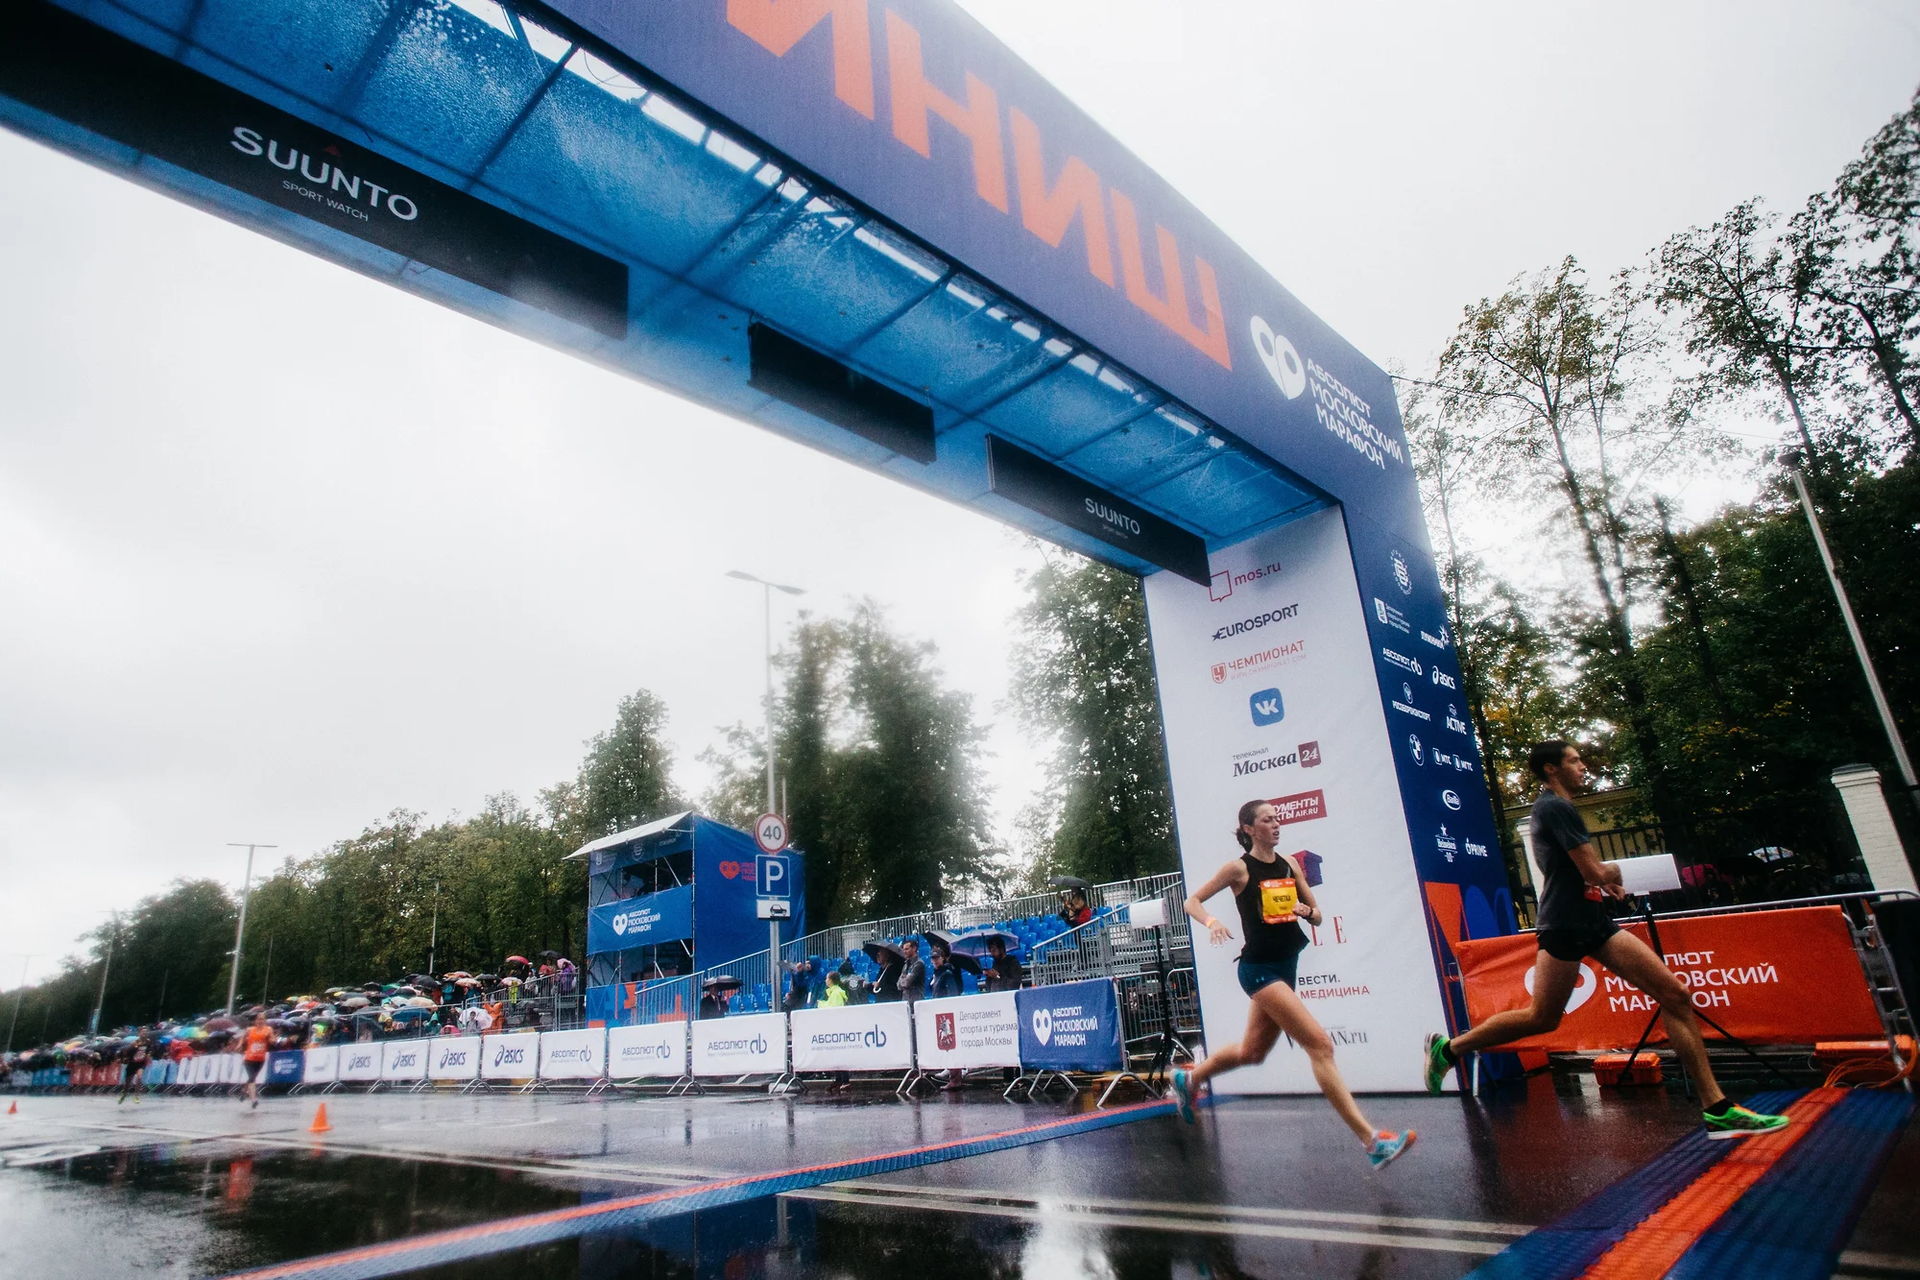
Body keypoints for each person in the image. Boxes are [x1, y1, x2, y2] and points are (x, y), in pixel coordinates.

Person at [1422, 741, 1791, 1138]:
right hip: (1565, 924)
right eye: (1574, 760)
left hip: (1594, 922)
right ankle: (1451, 1049)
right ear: (1551, 769)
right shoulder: (1555, 807)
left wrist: (1601, 883)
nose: (1583, 766)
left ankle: (1717, 1109)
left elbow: (1581, 873)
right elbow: (1595, 871)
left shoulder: (1559, 808)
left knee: (1675, 995)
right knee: (1542, 1017)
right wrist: (1619, 873)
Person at [1173, 800, 1416, 1170]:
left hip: (1286, 966)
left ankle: (1189, 1079)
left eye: (1277, 819)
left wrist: (1306, 911)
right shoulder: (1238, 868)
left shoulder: (1289, 865)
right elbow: (1192, 901)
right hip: (1258, 970)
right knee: (1320, 1045)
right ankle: (1372, 1142)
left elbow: (1317, 916)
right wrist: (1212, 923)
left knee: (1252, 1052)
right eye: (1267, 820)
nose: (1276, 824)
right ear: (1249, 829)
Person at [241, 1012, 273, 1110]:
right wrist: (239, 1045)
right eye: (259, 1019)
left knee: (252, 1077)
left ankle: (244, 1090)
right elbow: (243, 1038)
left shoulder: (268, 1030)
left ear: (265, 1020)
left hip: (260, 1059)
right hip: (249, 1058)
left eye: (262, 1019)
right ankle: (254, 1100)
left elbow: (273, 1039)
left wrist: (271, 1040)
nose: (260, 1021)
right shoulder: (250, 1030)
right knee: (252, 1078)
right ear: (255, 1021)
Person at [118, 1029, 152, 1105]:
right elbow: (128, 1052)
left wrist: (148, 1055)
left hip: (141, 1063)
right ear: (139, 1034)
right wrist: (126, 1058)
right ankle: (124, 1094)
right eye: (143, 1032)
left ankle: (136, 1096)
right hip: (132, 1063)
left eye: (145, 1032)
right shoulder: (135, 1043)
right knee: (128, 1081)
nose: (144, 1033)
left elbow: (149, 1050)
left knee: (139, 1077)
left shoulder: (148, 1042)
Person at [899, 939, 927, 1006]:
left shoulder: (919, 964)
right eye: (903, 949)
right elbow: (898, 984)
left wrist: (902, 982)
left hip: (916, 1001)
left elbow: (907, 982)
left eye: (907, 949)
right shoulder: (906, 964)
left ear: (914, 948)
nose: (904, 951)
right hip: (906, 1001)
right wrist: (902, 982)